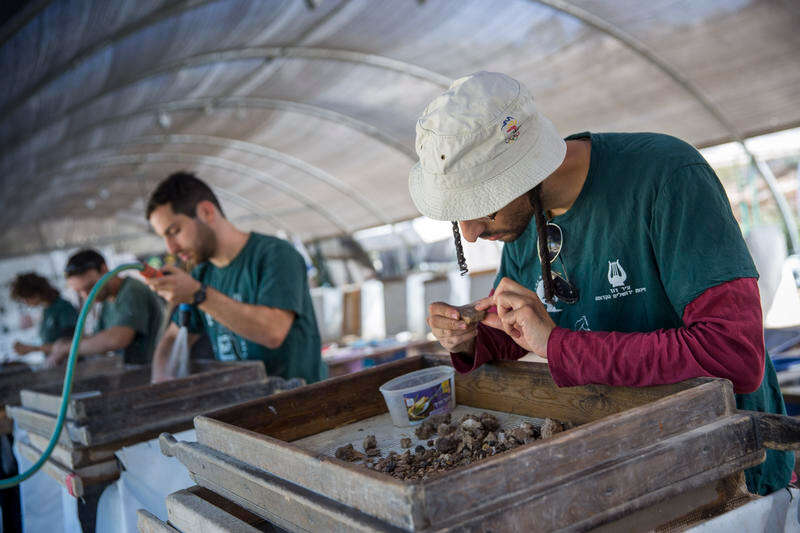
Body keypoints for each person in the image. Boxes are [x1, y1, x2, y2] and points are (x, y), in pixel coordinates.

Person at [412, 71, 792, 495]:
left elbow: (734, 355)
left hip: (725, 466)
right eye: (458, 214)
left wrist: (560, 346)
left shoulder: (665, 176)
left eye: (482, 206)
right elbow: (524, 331)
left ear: (525, 175)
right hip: (624, 458)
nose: (469, 232)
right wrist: (470, 338)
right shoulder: (522, 220)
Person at [144, 172, 325, 384]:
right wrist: (162, 381)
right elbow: (173, 338)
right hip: (242, 403)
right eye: (164, 238)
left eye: (174, 231)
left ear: (206, 212)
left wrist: (198, 294)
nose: (171, 248)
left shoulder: (275, 254)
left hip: (299, 403)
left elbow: (272, 331)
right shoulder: (202, 274)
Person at [50, 249, 164, 366]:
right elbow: (98, 337)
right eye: (79, 292)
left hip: (151, 368)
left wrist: (69, 348)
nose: (87, 296)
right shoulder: (106, 300)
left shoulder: (132, 291)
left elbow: (117, 339)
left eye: (90, 287)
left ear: (104, 270)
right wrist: (63, 345)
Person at [10, 272, 78, 357]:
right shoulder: (47, 310)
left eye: (26, 299)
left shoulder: (63, 307)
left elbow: (69, 343)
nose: (26, 303)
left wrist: (32, 348)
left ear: (36, 294)